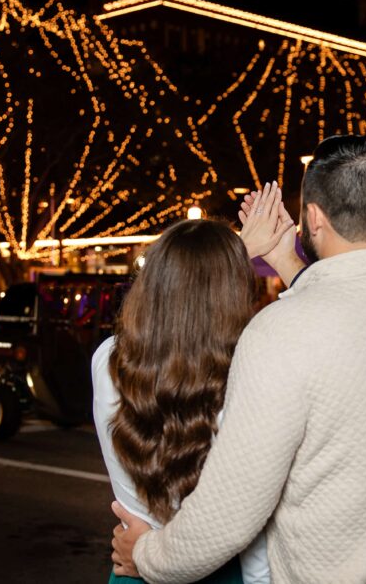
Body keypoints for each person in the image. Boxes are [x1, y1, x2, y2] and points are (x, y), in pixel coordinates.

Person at [112, 135, 366, 583]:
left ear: (313, 217)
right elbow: (355, 313)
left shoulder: (279, 333)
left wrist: (147, 556)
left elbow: (229, 515)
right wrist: (284, 260)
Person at [92, 183, 295, 584]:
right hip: (222, 572)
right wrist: (277, 257)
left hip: (135, 567)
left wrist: (236, 251)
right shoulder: (246, 373)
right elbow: (251, 530)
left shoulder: (110, 360)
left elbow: (186, 286)